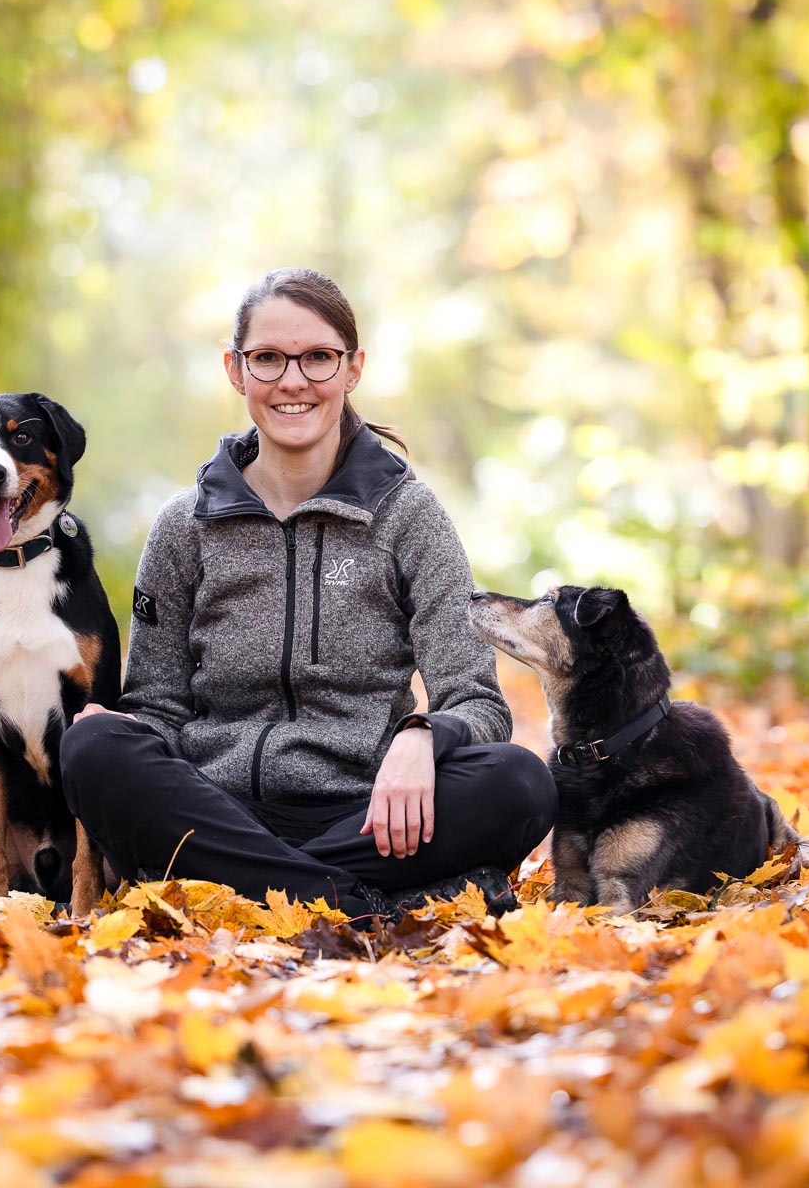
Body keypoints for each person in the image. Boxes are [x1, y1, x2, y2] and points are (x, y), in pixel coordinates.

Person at [60, 268, 556, 924]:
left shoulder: (408, 516)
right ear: (236, 372)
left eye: (318, 357)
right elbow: (158, 707)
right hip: (215, 810)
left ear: (352, 369)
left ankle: (251, 893)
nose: (293, 381)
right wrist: (122, 733)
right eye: (267, 358)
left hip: (371, 817)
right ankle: (360, 904)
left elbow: (478, 703)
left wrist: (421, 733)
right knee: (92, 748)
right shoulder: (185, 526)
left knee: (518, 780)